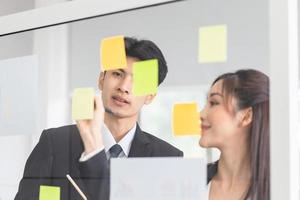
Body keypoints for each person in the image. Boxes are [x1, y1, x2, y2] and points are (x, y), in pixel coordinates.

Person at [15, 37, 183, 200]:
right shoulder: (54, 143)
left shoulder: (168, 158)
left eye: (137, 80)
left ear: (150, 96)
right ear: (102, 79)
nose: (123, 87)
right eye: (117, 74)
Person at [199, 69, 269, 200]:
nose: (201, 114)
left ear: (246, 116)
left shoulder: (283, 187)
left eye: (214, 103)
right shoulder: (190, 181)